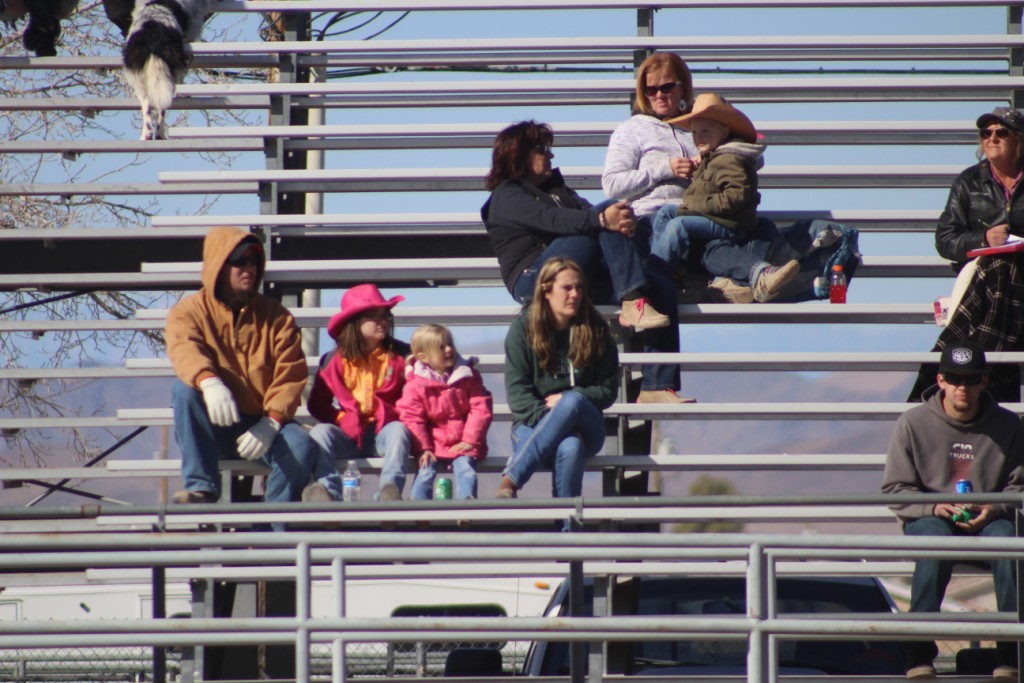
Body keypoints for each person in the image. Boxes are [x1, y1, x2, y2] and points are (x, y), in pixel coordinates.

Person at [482, 119, 691, 404]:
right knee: (601, 218)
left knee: (661, 288)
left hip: (577, 276)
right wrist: (605, 218)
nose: (551, 155)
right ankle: (631, 297)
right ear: (519, 153)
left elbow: (590, 212)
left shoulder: (558, 190)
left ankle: (656, 385)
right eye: (543, 149)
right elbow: (554, 219)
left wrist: (621, 220)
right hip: (534, 279)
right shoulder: (506, 196)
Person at [882, 340, 1024, 681]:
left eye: (972, 379)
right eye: (955, 378)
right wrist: (935, 505)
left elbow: (1018, 488)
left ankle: (1011, 653)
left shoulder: (1010, 426)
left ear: (985, 381)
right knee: (932, 541)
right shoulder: (913, 423)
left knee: (1008, 542)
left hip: (990, 519)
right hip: (930, 518)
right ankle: (918, 657)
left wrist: (993, 509)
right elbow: (895, 489)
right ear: (941, 379)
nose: (964, 387)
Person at [165, 226, 319, 518]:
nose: (248, 267)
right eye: (239, 260)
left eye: (254, 260)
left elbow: (290, 374)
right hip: (214, 426)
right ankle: (201, 488)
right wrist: (208, 381)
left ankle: (272, 526)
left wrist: (272, 422)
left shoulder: (277, 317)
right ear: (218, 266)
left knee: (300, 444)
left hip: (262, 425)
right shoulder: (188, 312)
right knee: (184, 391)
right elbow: (184, 349)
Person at [909, 107, 1024, 402]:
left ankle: (946, 382)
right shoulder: (969, 182)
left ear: (1019, 140)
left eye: (1002, 132)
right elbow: (945, 240)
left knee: (1002, 268)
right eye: (986, 133)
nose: (992, 138)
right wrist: (984, 238)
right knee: (997, 265)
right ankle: (989, 377)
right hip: (985, 286)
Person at [649, 93, 800, 303]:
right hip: (715, 219)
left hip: (728, 224)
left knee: (677, 225)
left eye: (706, 131)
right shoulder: (713, 158)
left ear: (724, 131)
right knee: (665, 213)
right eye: (694, 132)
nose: (699, 138)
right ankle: (661, 268)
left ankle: (656, 278)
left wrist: (695, 206)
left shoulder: (730, 158)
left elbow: (735, 196)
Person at [497, 258, 618, 500]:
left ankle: (511, 479)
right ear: (546, 290)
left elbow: (607, 390)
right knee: (570, 446)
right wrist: (557, 422)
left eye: (580, 287)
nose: (575, 294)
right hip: (531, 423)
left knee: (572, 401)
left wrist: (566, 403)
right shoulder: (522, 330)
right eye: (567, 288)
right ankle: (568, 532)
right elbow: (519, 397)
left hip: (587, 425)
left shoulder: (597, 330)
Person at [304, 284, 413, 502]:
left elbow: (416, 396)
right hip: (349, 436)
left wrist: (396, 413)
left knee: (398, 431)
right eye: (373, 316)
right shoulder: (333, 360)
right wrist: (341, 418)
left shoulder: (402, 356)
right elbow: (317, 404)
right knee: (320, 433)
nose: (382, 321)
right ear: (354, 322)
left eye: (385, 315)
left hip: (384, 432)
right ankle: (327, 491)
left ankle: (389, 491)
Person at [601, 51, 700, 248]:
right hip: (650, 219)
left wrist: (710, 159)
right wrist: (664, 169)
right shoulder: (632, 129)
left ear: (683, 87)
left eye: (667, 87)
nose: (659, 96)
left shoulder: (702, 125)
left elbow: (751, 150)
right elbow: (612, 185)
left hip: (697, 215)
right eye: (651, 90)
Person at [397, 323, 493, 502]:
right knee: (425, 469)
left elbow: (480, 408)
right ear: (422, 357)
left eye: (450, 344)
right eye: (441, 347)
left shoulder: (468, 376)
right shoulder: (416, 384)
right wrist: (422, 448)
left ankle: (467, 503)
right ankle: (418, 506)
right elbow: (412, 417)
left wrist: (470, 440)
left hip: (462, 440)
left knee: (465, 467)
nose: (449, 350)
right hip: (432, 442)